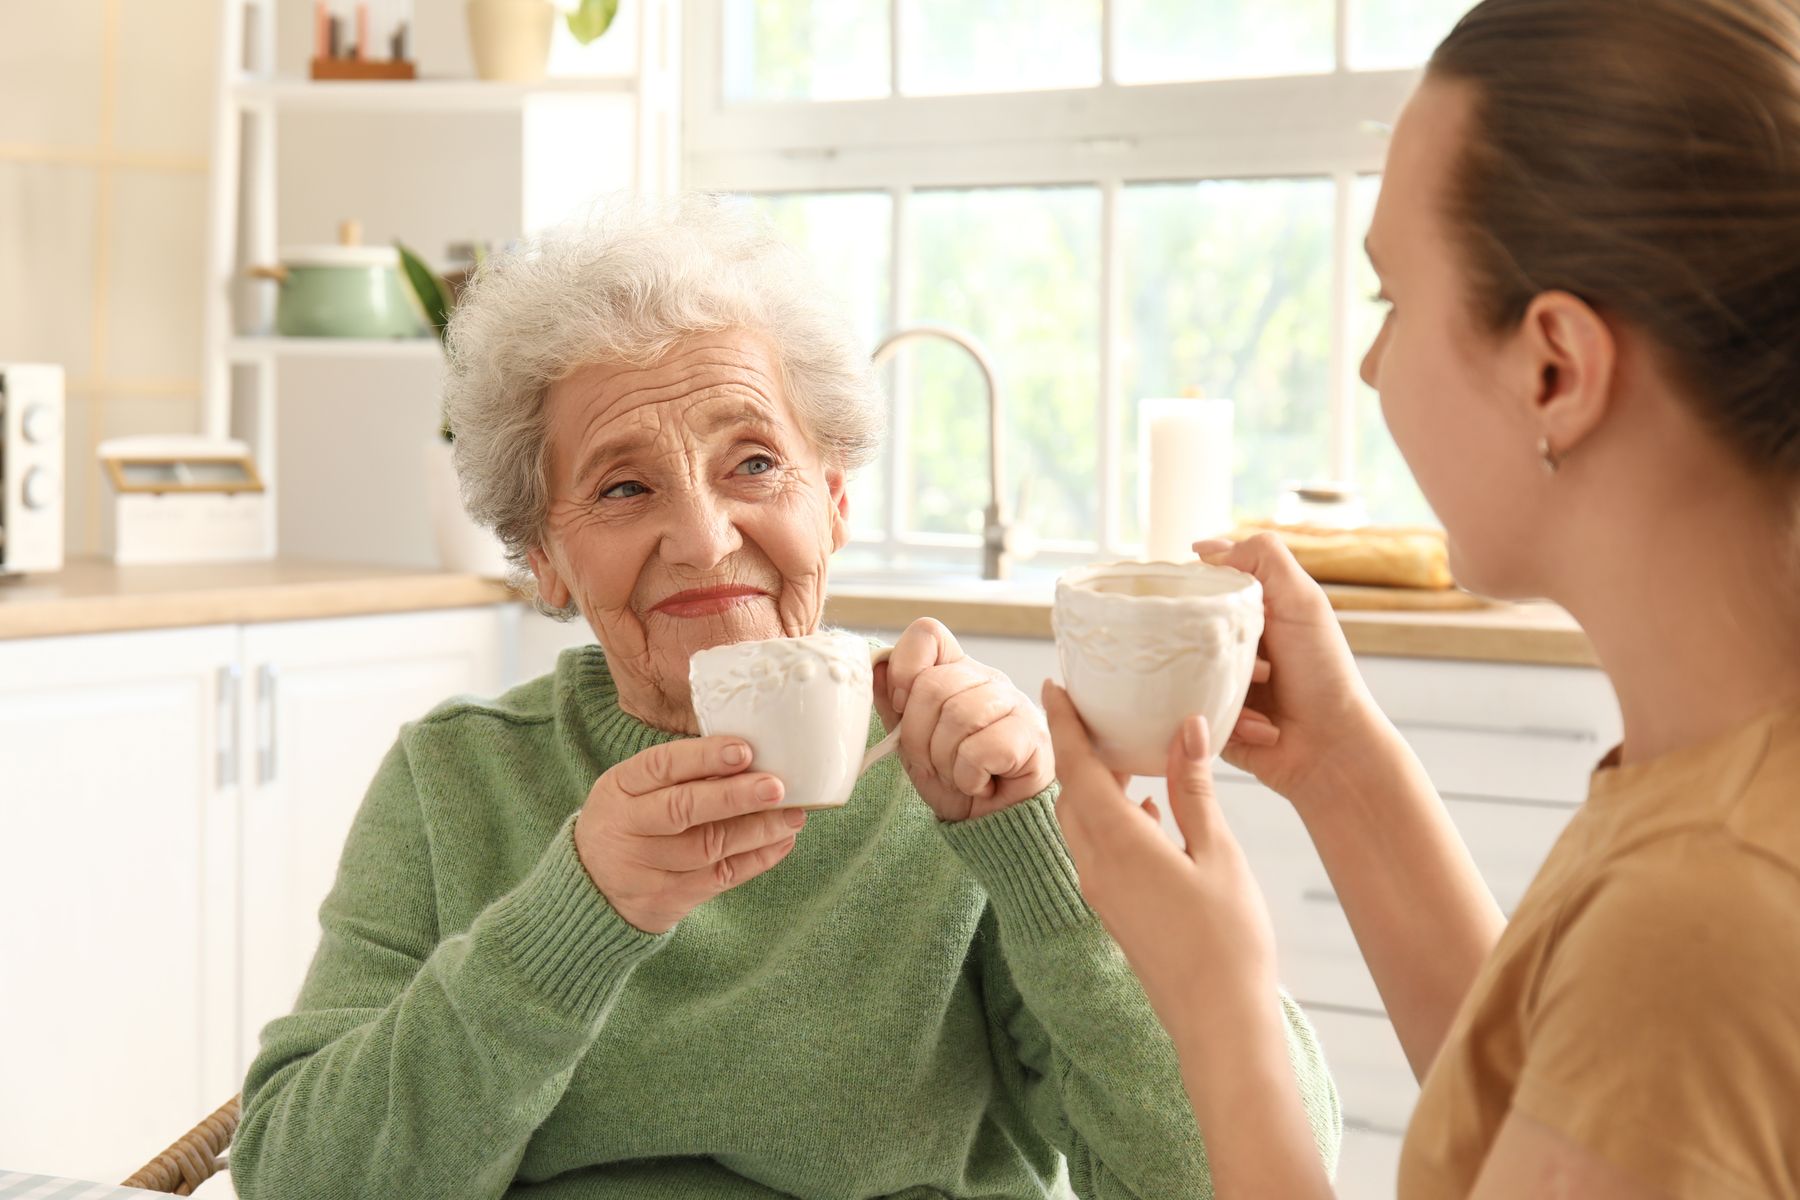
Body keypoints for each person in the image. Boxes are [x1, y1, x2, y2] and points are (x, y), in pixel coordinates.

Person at [231, 196, 1341, 1198]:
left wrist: (1035, 860)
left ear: (837, 499)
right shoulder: (457, 780)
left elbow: (1229, 1176)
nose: (707, 538)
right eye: (624, 486)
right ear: (545, 562)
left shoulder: (974, 781)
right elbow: (298, 1180)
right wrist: (577, 912)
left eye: (754, 463)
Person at [1046, 0, 1800, 1195]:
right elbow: (1559, 1103)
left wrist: (1217, 1002)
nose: (1369, 365)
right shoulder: (1714, 792)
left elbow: (1648, 1026)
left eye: (1393, 300)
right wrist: (1342, 769)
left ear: (1554, 367)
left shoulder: (1704, 919)